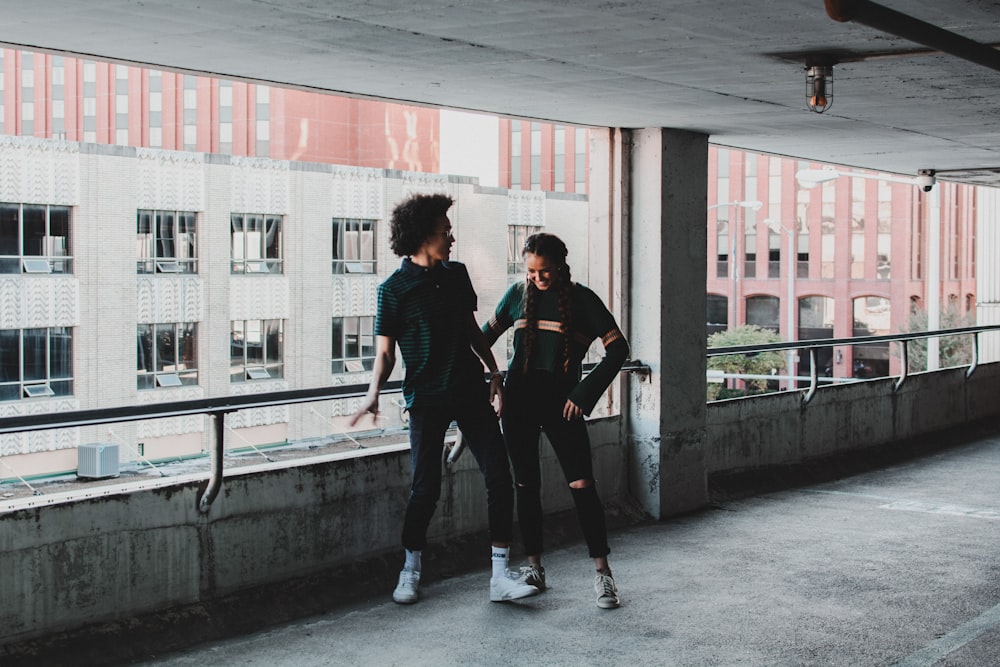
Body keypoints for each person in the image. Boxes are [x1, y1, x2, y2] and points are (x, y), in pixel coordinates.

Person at [348, 192, 538, 605]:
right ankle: (410, 569)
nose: (451, 237)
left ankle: (499, 576)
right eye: (443, 231)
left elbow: (472, 330)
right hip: (426, 399)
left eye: (450, 230)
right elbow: (384, 352)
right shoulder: (393, 290)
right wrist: (373, 394)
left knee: (499, 477)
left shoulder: (457, 274)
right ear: (421, 237)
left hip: (470, 391)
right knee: (425, 489)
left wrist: (494, 374)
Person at [482, 232, 629, 609]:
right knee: (526, 486)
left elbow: (618, 349)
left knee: (582, 485)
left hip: (563, 404)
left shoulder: (583, 299)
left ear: (560, 266)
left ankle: (603, 575)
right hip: (518, 404)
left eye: (544, 271)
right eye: (531, 271)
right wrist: (494, 378)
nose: (537, 278)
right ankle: (534, 569)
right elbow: (482, 337)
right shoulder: (516, 293)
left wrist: (583, 395)